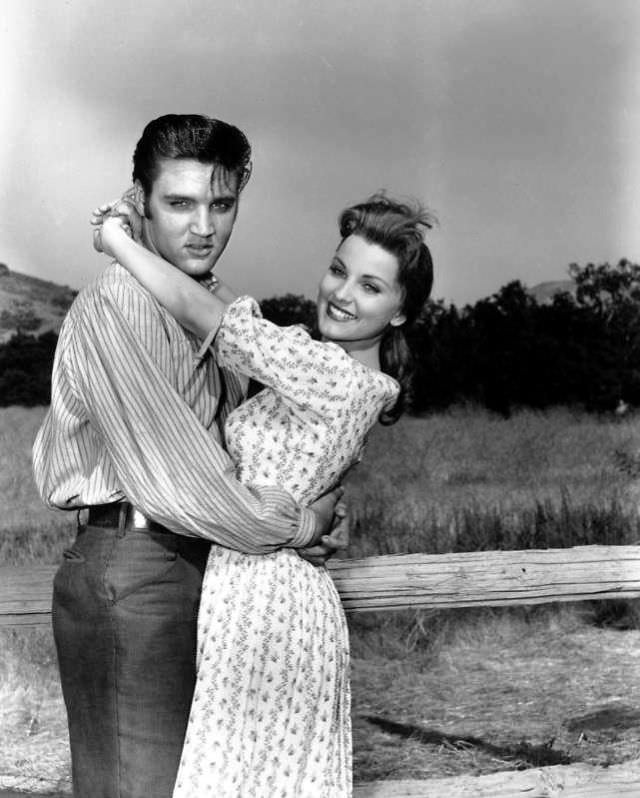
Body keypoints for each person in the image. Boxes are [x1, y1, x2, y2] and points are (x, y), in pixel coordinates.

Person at [32, 114, 345, 798]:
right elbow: (186, 484)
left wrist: (317, 498)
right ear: (141, 201)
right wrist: (297, 525)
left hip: (208, 567)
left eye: (222, 204)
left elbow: (256, 444)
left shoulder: (208, 310)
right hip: (135, 573)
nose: (204, 226)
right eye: (179, 203)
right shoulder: (118, 305)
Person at [92, 190, 435, 797]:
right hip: (255, 586)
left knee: (234, 779)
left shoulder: (337, 378)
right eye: (338, 270)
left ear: (402, 311)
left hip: (268, 602)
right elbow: (240, 316)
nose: (342, 294)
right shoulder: (333, 368)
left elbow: (214, 319)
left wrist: (117, 242)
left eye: (371, 287)